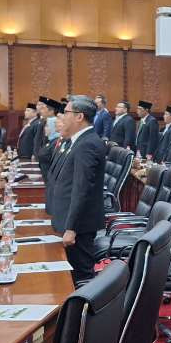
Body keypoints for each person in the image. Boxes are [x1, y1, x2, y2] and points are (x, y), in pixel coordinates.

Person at [46, 95, 106, 284]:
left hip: (79, 226)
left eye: (66, 112)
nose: (62, 116)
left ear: (79, 116)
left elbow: (82, 189)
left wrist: (71, 227)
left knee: (80, 277)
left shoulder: (87, 144)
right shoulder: (78, 141)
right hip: (70, 220)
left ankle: (85, 312)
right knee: (70, 276)